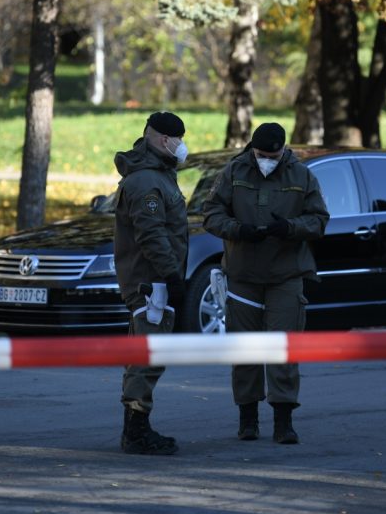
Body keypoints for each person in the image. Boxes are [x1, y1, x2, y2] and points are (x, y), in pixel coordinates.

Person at [202, 122, 330, 444]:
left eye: (272, 156)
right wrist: (236, 229)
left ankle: (283, 421)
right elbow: (211, 214)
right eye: (261, 155)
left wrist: (290, 227)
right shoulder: (234, 171)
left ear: (283, 151)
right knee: (244, 349)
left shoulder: (301, 176)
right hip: (243, 274)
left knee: (282, 349)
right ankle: (248, 419)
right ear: (252, 149)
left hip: (286, 275)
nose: (266, 160)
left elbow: (319, 220)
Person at [113, 111, 189, 455]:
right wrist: (171, 276)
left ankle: (136, 427)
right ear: (163, 141)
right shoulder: (146, 182)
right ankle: (137, 432)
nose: (183, 147)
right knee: (148, 355)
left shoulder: (158, 174)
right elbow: (152, 234)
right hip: (151, 284)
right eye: (179, 140)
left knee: (144, 353)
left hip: (153, 280)